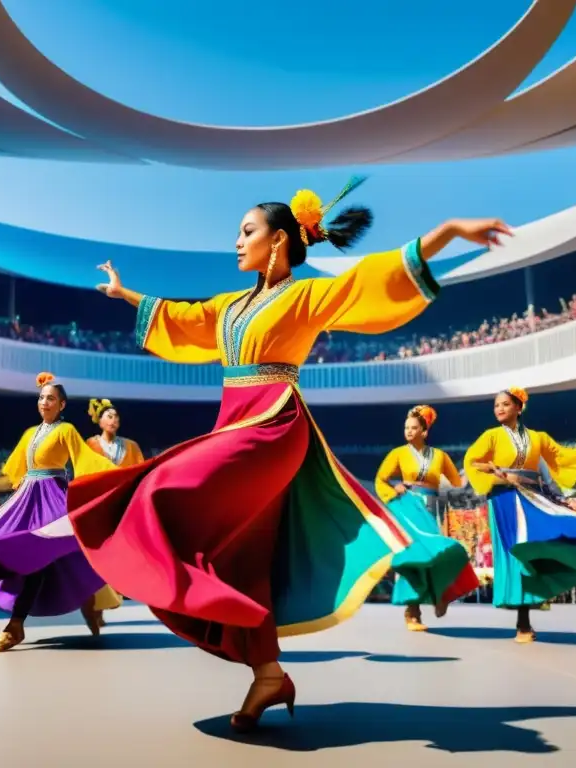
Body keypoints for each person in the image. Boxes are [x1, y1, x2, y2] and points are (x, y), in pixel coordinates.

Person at [63, 175, 512, 731]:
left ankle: (177, 579)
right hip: (232, 421)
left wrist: (442, 234)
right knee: (245, 556)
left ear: (278, 240)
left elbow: (367, 281)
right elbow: (183, 318)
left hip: (271, 425)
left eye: (246, 231)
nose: (236, 241)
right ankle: (267, 674)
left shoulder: (303, 295)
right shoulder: (230, 307)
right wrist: (126, 294)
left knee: (160, 484)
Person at [0, 373, 116, 652]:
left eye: (51, 398)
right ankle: (85, 600)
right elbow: (9, 471)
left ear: (62, 405)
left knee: (39, 556)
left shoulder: (66, 430)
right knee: (18, 552)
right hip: (27, 498)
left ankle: (16, 625)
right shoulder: (30, 434)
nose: (44, 402)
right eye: (41, 398)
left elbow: (87, 461)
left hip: (52, 498)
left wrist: (119, 476)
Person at [463, 387, 576, 642]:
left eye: (506, 404)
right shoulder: (491, 436)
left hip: (533, 497)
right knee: (519, 551)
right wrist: (494, 472)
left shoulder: (538, 438)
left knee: (541, 542)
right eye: (496, 404)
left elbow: (563, 456)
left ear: (519, 408)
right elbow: (471, 461)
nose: (499, 408)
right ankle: (523, 621)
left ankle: (531, 607)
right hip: (504, 500)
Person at [374, 405, 480, 631]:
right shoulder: (398, 454)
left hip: (431, 506)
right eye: (406, 428)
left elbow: (457, 481)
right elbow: (380, 480)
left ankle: (442, 593)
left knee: (438, 551)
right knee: (415, 555)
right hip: (408, 506)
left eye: (414, 428)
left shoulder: (440, 456)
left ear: (424, 431)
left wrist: (473, 469)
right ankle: (412, 611)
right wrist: (395, 489)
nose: (409, 432)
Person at [81, 398, 146, 626]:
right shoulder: (90, 445)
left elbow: (140, 472)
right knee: (98, 554)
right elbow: (84, 475)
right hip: (99, 505)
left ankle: (117, 592)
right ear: (100, 421)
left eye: (116, 416)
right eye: (109, 416)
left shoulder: (131, 446)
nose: (114, 419)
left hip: (123, 505)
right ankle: (96, 605)